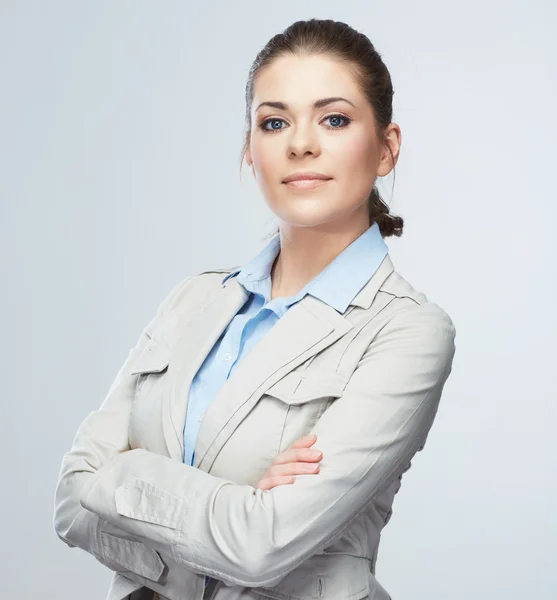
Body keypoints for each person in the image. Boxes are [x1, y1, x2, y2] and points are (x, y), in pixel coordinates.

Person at [53, 18, 456, 600]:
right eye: (274, 122)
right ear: (250, 149)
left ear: (386, 148)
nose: (300, 143)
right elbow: (70, 500)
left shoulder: (407, 331)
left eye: (334, 119)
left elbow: (259, 547)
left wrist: (121, 475)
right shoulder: (192, 298)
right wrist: (230, 511)